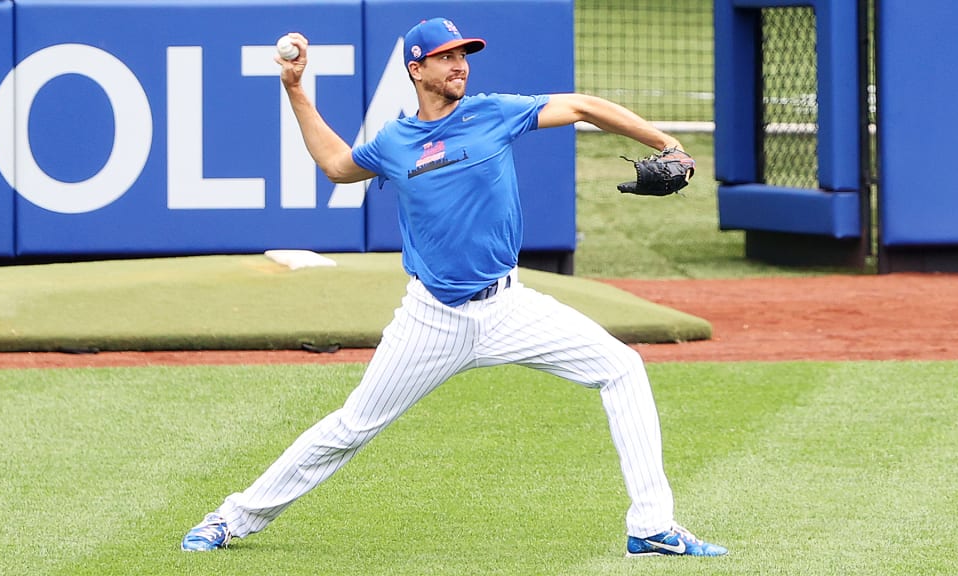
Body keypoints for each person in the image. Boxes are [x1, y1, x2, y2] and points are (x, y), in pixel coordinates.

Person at [181, 17, 727, 558]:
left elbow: (582, 105)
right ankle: (231, 518)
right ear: (417, 70)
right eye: (446, 57)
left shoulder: (492, 113)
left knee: (622, 368)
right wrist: (296, 89)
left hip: (509, 306)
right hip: (432, 320)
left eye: (463, 55)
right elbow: (334, 165)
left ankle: (653, 527)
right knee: (350, 428)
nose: (459, 64)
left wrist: (667, 142)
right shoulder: (396, 142)